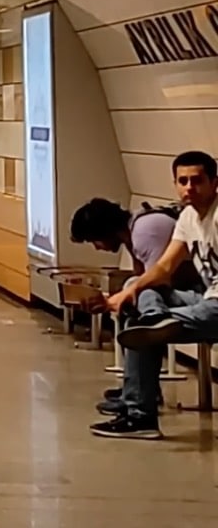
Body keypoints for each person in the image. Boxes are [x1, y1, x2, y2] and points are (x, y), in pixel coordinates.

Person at [97, 150, 218, 440]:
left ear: (214, 183)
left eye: (197, 181)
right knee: (140, 290)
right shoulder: (187, 217)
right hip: (206, 298)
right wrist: (130, 291)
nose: (189, 188)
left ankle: (140, 416)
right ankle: (154, 317)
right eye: (182, 181)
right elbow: (163, 268)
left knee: (143, 331)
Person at [68, 196, 182, 421]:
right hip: (176, 289)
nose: (97, 247)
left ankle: (152, 321)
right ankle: (138, 391)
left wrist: (118, 298)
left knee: (135, 304)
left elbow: (156, 280)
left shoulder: (145, 230)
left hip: (195, 291)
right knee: (131, 301)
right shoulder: (135, 234)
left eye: (94, 240)